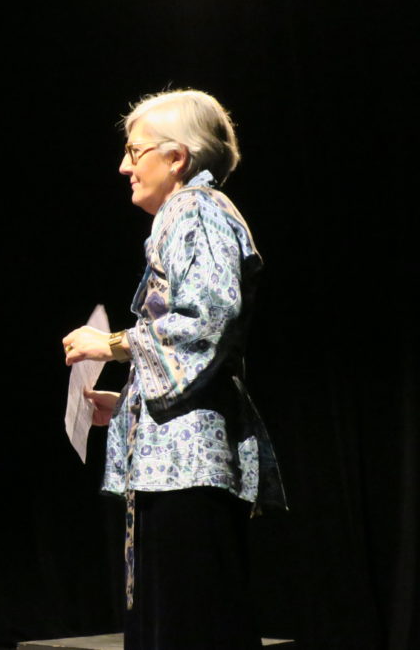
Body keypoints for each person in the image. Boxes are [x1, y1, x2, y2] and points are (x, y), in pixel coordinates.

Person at [62, 90, 285, 649]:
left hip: (189, 472)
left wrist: (109, 345)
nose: (123, 166)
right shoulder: (182, 217)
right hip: (171, 467)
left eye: (135, 152)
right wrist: (130, 403)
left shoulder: (197, 210)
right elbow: (187, 346)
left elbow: (208, 318)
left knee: (196, 626)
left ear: (177, 157)